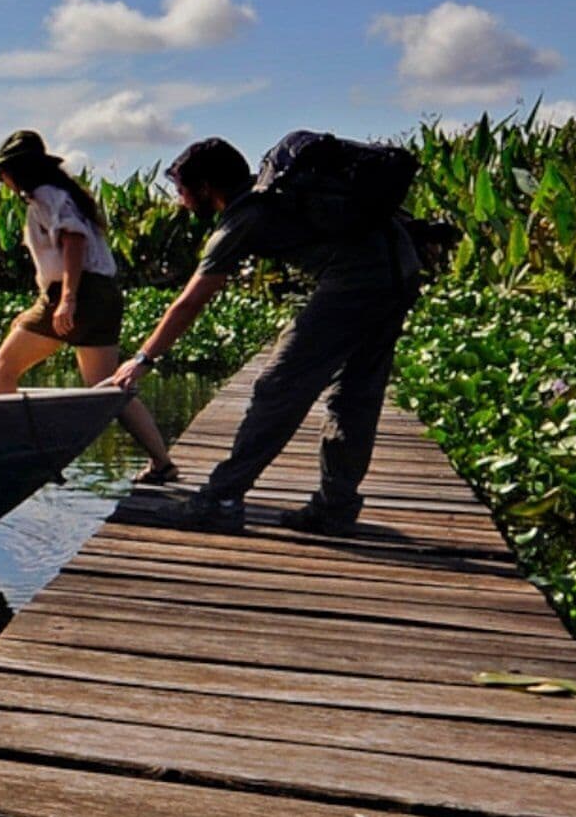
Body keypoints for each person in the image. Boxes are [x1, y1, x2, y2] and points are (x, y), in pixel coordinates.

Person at [106, 133, 423, 534]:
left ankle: (221, 499)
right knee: (355, 396)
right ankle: (335, 507)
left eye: (183, 191)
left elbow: (189, 302)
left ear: (206, 188)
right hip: (400, 270)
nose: (180, 201)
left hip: (358, 282)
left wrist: (142, 359)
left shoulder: (247, 215)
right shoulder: (281, 192)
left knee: (278, 386)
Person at [0, 129, 177, 483]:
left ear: (17, 171)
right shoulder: (64, 194)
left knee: (4, 366)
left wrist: (67, 299)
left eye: (3, 171)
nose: (1, 178)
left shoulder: (44, 196)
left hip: (79, 293)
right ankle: (162, 462)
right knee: (108, 384)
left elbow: (73, 242)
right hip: (101, 294)